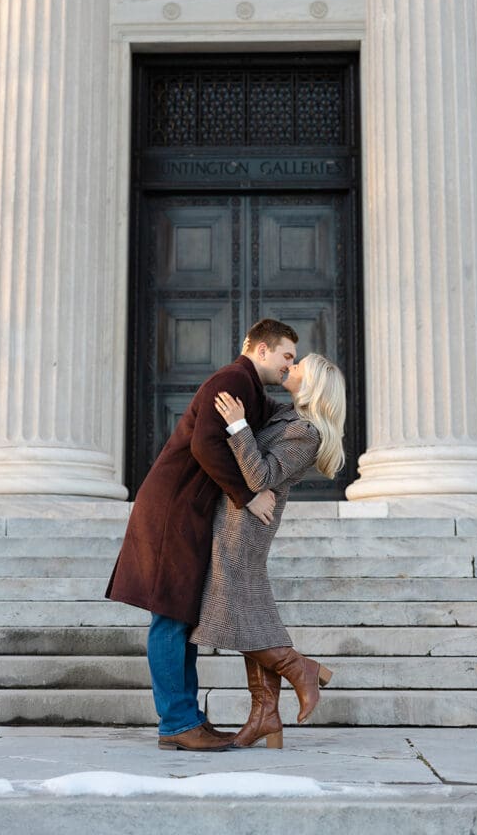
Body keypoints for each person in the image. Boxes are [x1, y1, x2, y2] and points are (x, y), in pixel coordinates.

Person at [105, 318, 299, 751]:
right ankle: (176, 723)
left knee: (182, 616)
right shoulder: (233, 380)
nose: (290, 364)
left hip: (188, 513)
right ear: (261, 349)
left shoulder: (251, 389)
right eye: (286, 356)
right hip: (172, 510)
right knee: (169, 617)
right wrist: (249, 495)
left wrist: (314, 394)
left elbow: (284, 418)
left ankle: (186, 718)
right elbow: (205, 445)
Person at [190, 353, 346, 749]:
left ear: (312, 384)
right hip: (235, 518)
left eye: (298, 367)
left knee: (233, 614)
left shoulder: (307, 434)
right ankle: (265, 715)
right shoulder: (287, 416)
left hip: (246, 527)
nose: (290, 367)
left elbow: (261, 477)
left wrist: (238, 425)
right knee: (250, 615)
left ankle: (300, 668)